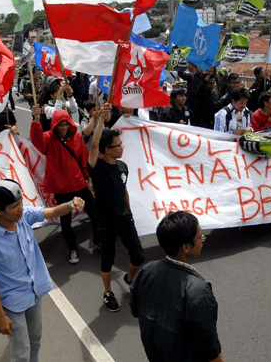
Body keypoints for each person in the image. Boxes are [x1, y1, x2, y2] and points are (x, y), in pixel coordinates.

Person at [0, 179, 84, 362]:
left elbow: (54, 211)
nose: (21, 208)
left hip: (33, 295)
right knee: (21, 352)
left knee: (35, 341)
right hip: (12, 304)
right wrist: (0, 315)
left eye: (20, 203)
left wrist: (71, 204)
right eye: (14, 206)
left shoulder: (24, 218)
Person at [129, 211, 225, 362]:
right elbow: (208, 348)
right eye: (200, 236)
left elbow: (135, 309)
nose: (203, 240)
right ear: (186, 247)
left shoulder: (147, 270)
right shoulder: (198, 291)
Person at [88, 103, 145, 312]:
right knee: (108, 259)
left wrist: (128, 212)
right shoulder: (98, 168)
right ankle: (108, 291)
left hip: (125, 219)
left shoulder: (123, 167)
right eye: (119, 145)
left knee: (138, 255)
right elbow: (94, 146)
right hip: (106, 221)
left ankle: (131, 279)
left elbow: (124, 190)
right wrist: (101, 119)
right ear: (107, 150)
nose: (122, 148)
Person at [30, 105, 97, 264]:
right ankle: (72, 249)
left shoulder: (77, 138)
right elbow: (36, 140)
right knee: (65, 222)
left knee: (95, 213)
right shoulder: (47, 138)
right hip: (61, 188)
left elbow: (83, 159)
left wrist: (88, 178)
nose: (64, 127)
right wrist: (36, 120)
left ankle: (98, 240)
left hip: (79, 184)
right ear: (54, 125)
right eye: (61, 124)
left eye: (66, 124)